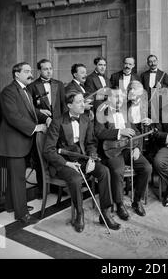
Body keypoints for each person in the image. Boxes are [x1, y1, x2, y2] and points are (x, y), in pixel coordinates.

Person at [44, 91, 120, 232]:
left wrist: (92, 157)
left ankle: (106, 213)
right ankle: (80, 213)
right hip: (64, 162)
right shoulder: (57, 122)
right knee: (76, 178)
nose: (83, 104)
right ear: (69, 105)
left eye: (82, 101)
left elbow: (91, 143)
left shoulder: (86, 119)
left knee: (104, 171)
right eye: (79, 102)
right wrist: (67, 163)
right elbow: (48, 150)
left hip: (83, 159)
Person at [0, 62, 48, 225]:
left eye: (30, 71)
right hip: (13, 143)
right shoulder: (8, 92)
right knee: (18, 179)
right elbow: (14, 117)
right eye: (26, 71)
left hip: (21, 142)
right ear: (16, 74)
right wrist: (36, 127)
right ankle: (22, 213)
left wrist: (42, 114)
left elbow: (28, 110)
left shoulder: (25, 90)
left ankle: (11, 205)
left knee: (15, 177)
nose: (30, 74)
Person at [95, 88, 152, 219]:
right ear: (109, 98)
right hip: (112, 150)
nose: (120, 100)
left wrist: (137, 147)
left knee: (147, 168)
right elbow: (99, 133)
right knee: (117, 171)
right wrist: (120, 132)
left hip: (128, 148)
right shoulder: (101, 112)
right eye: (116, 97)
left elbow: (136, 132)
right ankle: (119, 203)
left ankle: (136, 201)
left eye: (121, 97)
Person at [27, 59, 67, 198]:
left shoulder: (59, 84)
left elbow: (63, 106)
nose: (49, 71)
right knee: (40, 157)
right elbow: (31, 109)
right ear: (39, 70)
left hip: (57, 127)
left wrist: (63, 124)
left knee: (55, 155)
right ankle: (42, 188)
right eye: (45, 69)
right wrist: (44, 119)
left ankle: (55, 186)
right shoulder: (32, 86)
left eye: (50, 68)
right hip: (43, 127)